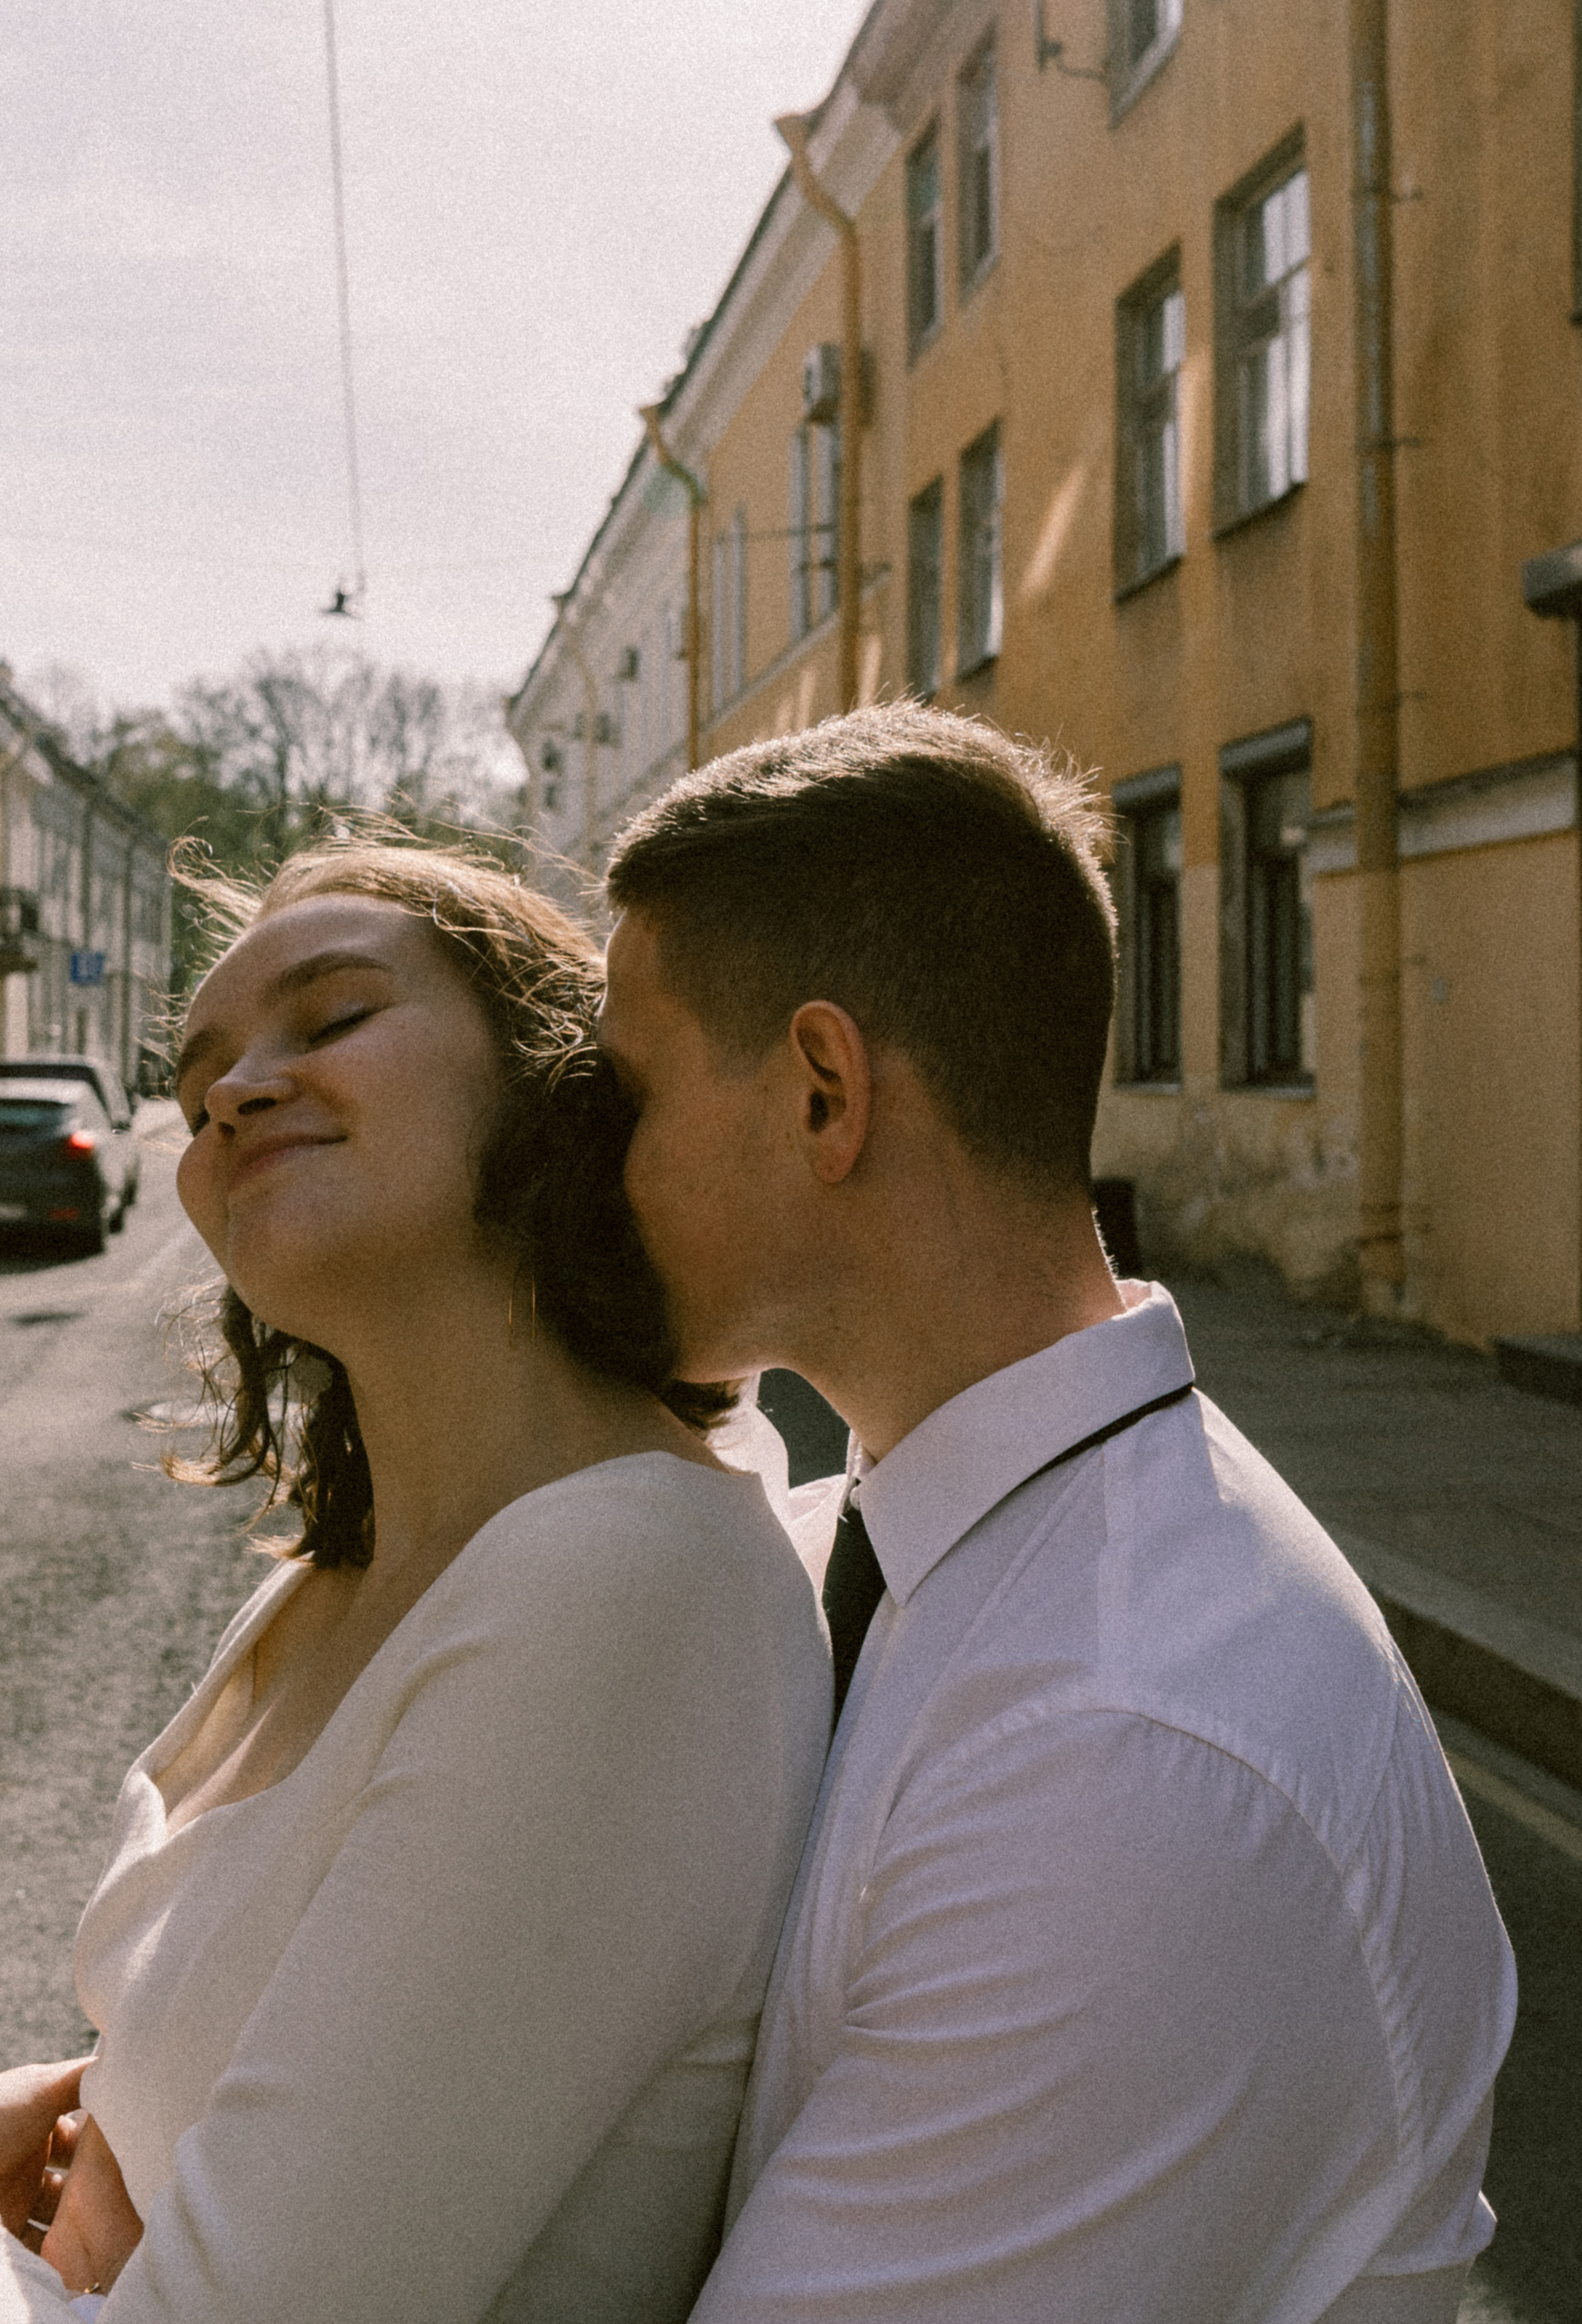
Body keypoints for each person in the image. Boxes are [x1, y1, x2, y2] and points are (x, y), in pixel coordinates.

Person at [0, 840, 830, 2324]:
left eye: (334, 1018)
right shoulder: (330, 1575)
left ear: (549, 1074)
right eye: (200, 1077)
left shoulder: (621, 1589)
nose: (230, 1091)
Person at [597, 703, 1517, 2324]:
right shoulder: (889, 1552)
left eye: (626, 1095)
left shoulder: (1125, 1750)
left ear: (823, 1093)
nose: (595, 1169)